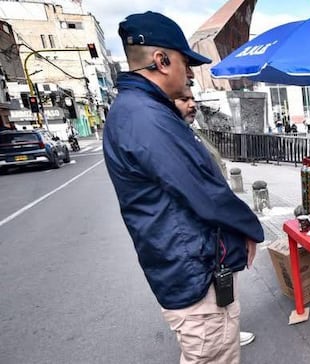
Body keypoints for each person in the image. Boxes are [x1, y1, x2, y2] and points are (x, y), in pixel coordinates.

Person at [103, 11, 264, 363]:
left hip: (188, 261)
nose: (190, 73)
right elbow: (204, 192)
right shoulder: (146, 117)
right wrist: (250, 227)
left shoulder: (140, 110)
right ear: (161, 61)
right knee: (214, 353)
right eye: (185, 63)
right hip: (192, 269)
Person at [174, 86, 255, 348]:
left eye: (192, 98)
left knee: (226, 282)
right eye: (184, 99)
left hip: (220, 224)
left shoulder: (192, 133)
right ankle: (223, 334)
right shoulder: (174, 138)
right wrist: (247, 226)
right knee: (216, 286)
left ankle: (228, 330)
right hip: (208, 229)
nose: (192, 104)